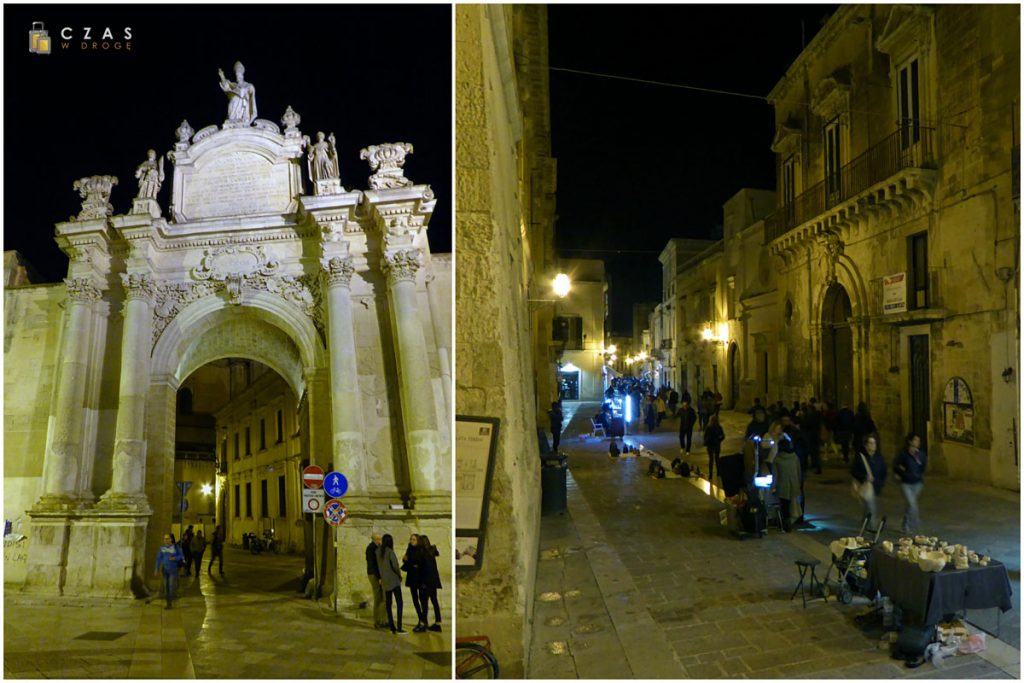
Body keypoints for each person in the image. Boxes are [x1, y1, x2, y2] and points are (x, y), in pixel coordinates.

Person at [851, 434, 886, 531]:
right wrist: (864, 477)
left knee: (868, 507)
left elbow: (883, 472)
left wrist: (881, 483)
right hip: (864, 486)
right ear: (866, 445)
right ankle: (873, 527)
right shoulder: (860, 457)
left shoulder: (879, 458)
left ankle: (864, 522)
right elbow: (854, 471)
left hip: (876, 487)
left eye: (874, 443)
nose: (873, 445)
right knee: (871, 506)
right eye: (870, 443)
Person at [893, 433, 927, 534]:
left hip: (917, 484)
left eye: (918, 441)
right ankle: (917, 528)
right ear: (910, 441)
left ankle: (905, 524)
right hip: (906, 483)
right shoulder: (903, 454)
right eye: (915, 440)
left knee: (910, 505)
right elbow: (896, 465)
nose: (917, 443)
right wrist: (902, 473)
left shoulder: (920, 454)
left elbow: (922, 467)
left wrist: (917, 474)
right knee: (912, 504)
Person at [772, 433, 803, 532]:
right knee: (793, 504)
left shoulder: (777, 459)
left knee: (784, 506)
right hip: (794, 485)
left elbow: (775, 476)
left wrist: (773, 487)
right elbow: (799, 472)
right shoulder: (794, 457)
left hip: (783, 486)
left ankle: (786, 525)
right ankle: (793, 521)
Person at [377, 534, 406, 634]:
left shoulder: (377, 552)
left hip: (385, 581)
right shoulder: (390, 552)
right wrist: (399, 575)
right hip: (394, 580)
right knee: (399, 603)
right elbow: (395, 566)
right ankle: (399, 627)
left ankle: (392, 626)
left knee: (388, 604)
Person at [414, 535, 443, 633]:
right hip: (433, 581)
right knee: (434, 601)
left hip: (426, 582)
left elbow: (423, 569)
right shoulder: (431, 552)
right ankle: (438, 623)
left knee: (424, 603)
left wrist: (422, 582)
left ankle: (423, 624)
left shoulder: (423, 553)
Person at [403, 534, 425, 631]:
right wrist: (406, 560)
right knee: (415, 600)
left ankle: (423, 621)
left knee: (422, 600)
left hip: (420, 578)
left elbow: (420, 562)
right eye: (411, 539)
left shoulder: (421, 550)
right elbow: (408, 562)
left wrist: (410, 561)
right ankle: (420, 619)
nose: (412, 541)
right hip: (412, 578)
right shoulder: (409, 549)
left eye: (414, 539)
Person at [154, 533, 183, 609]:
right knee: (166, 587)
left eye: (167, 538)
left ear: (171, 539)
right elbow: (158, 559)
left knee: (171, 586)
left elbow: (181, 556)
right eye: (164, 539)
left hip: (173, 570)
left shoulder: (176, 547)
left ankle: (170, 601)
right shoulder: (162, 548)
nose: (165, 540)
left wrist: (175, 558)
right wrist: (156, 569)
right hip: (165, 570)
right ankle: (168, 603)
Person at [366, 533, 387, 628]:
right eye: (379, 539)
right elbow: (375, 564)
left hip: (375, 574)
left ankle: (382, 620)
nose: (380, 541)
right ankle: (378, 621)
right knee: (378, 598)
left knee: (382, 598)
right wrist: (379, 577)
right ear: (375, 539)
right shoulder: (372, 549)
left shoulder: (373, 548)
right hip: (375, 575)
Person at [703, 413, 725, 482]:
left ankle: (710, 474)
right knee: (717, 459)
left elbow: (705, 436)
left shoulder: (708, 428)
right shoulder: (719, 427)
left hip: (710, 445)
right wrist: (719, 440)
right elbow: (723, 436)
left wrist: (706, 441)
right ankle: (718, 472)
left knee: (711, 460)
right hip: (717, 445)